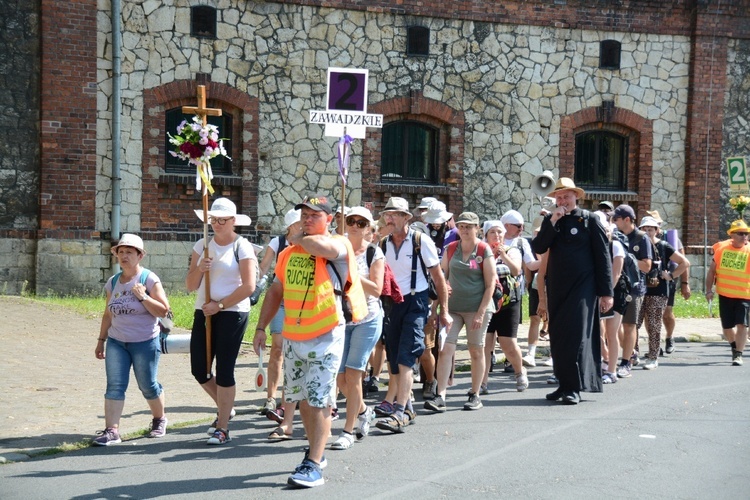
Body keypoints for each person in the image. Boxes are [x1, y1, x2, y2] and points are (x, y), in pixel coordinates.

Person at [252, 194, 367, 488]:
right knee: (301, 398)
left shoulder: (338, 244)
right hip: (294, 335)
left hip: (326, 334)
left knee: (317, 400)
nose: (307, 219)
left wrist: (300, 237)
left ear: (329, 219)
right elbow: (276, 290)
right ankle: (316, 447)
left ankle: (314, 462)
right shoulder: (288, 254)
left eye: (315, 215)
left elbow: (320, 246)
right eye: (304, 214)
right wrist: (261, 326)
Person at [531, 178, 613, 404]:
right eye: (558, 197)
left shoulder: (589, 220)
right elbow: (538, 247)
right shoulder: (552, 220)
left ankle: (575, 387)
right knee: (558, 337)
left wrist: (606, 293)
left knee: (577, 336)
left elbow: (603, 257)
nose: (562, 201)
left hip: (583, 288)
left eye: (566, 196)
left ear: (576, 197)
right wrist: (553, 220)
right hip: (557, 286)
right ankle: (563, 384)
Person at [375, 196, 452, 433]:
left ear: (406, 218)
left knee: (406, 357)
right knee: (394, 356)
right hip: (391, 303)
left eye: (395, 215)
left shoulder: (421, 240)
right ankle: (407, 405)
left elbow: (439, 278)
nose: (390, 219)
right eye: (387, 214)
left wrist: (443, 311)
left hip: (415, 302)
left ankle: (399, 412)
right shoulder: (384, 243)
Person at [186, 198, 257, 445]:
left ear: (233, 221)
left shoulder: (242, 246)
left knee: (225, 370)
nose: (216, 224)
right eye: (213, 219)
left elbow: (249, 286)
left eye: (222, 220)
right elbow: (190, 284)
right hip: (204, 310)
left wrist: (221, 305)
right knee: (200, 368)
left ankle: (223, 426)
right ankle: (226, 406)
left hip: (232, 311)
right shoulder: (202, 245)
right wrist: (200, 268)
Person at [94, 233, 171, 446]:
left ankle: (159, 419)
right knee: (115, 385)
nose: (124, 256)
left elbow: (164, 310)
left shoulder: (149, 279)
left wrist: (143, 296)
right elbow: (108, 313)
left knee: (148, 385)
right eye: (121, 252)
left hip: (145, 341)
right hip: (117, 342)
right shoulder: (113, 282)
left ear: (140, 255)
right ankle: (112, 431)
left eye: (129, 252)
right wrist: (101, 340)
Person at [424, 213, 496, 412]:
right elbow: (441, 279)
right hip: (453, 309)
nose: (464, 230)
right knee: (446, 348)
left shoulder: (483, 249)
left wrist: (481, 313)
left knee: (475, 349)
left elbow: (490, 285)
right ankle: (441, 395)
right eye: (462, 226)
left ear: (477, 228)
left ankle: (475, 394)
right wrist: (435, 307)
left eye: (469, 227)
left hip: (476, 308)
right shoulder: (451, 249)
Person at [330, 207, 384, 450]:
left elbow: (376, 289)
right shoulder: (337, 249)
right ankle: (363, 410)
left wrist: (353, 272)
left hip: (367, 318)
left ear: (368, 228)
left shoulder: (374, 253)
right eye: (350, 220)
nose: (354, 225)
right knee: (341, 381)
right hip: (342, 317)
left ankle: (348, 431)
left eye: (361, 223)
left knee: (353, 376)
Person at [256, 208, 301, 417]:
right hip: (281, 303)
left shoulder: (311, 243)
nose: (303, 225)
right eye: (299, 223)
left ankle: (289, 399)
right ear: (290, 226)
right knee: (278, 347)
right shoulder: (278, 243)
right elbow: (263, 268)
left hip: (302, 306)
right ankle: (271, 398)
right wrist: (254, 280)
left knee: (295, 352)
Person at [477, 220, 526, 395]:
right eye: (493, 233)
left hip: (508, 303)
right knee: (485, 344)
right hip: (486, 302)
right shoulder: (480, 252)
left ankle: (519, 372)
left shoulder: (512, 250)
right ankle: (482, 383)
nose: (496, 236)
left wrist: (503, 256)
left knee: (508, 344)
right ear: (486, 235)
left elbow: (516, 271)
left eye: (500, 233)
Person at [636, 216, 690, 369]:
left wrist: (671, 276)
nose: (647, 232)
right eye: (644, 229)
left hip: (658, 290)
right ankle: (633, 354)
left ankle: (653, 357)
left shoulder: (664, 246)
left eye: (651, 229)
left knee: (654, 324)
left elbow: (684, 262)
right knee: (633, 324)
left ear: (657, 231)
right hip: (639, 289)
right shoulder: (636, 245)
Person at [611, 204, 653, 378]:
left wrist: (626, 259)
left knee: (629, 325)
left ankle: (626, 363)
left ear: (627, 219)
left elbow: (647, 266)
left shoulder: (641, 238)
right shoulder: (614, 236)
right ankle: (631, 353)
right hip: (615, 287)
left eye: (616, 219)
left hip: (634, 289)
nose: (614, 222)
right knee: (612, 328)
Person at [705, 219, 750, 366]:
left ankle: (738, 354)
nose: (744, 236)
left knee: (742, 325)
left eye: (747, 234)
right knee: (727, 328)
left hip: (745, 295)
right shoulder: (722, 250)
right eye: (741, 234)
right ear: (732, 235)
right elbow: (712, 271)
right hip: (725, 294)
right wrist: (708, 290)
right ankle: (733, 347)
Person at [646, 210, 691, 354]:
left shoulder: (671, 240)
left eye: (654, 225)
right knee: (649, 315)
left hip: (667, 283)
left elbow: (683, 262)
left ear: (659, 226)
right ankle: (655, 344)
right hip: (647, 282)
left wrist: (684, 283)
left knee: (667, 313)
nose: (650, 228)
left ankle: (669, 337)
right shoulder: (642, 240)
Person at [500, 210, 540, 369]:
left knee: (511, 327)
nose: (521, 229)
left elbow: (531, 264)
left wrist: (547, 261)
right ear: (506, 225)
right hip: (492, 291)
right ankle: (488, 358)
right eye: (518, 226)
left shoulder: (521, 242)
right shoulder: (493, 238)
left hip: (513, 292)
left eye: (523, 226)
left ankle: (510, 360)